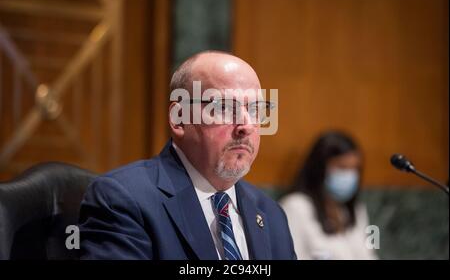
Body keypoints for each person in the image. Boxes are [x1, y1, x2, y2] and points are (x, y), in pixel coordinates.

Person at [78, 50, 296, 260]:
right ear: (179, 117)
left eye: (255, 109)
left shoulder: (271, 214)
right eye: (224, 107)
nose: (246, 125)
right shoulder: (123, 199)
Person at [280, 131, 378, 260]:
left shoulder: (355, 210)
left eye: (355, 169)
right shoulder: (295, 207)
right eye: (342, 167)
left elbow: (368, 256)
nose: (350, 176)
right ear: (320, 168)